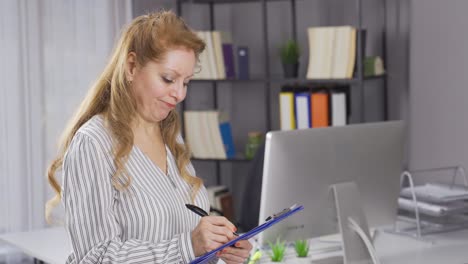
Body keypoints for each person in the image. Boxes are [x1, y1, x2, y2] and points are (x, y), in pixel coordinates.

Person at [45, 10, 252, 264]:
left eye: (186, 82)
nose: (179, 94)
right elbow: (94, 258)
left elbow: (189, 248)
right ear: (131, 66)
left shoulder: (173, 140)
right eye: (168, 79)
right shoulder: (93, 144)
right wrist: (189, 245)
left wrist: (218, 249)